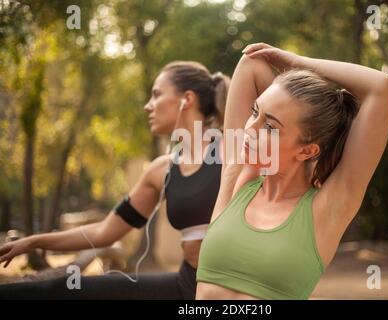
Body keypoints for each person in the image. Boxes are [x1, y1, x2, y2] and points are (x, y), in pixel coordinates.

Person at [0, 61, 229, 300]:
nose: (147, 106)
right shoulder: (161, 170)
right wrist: (32, 242)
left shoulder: (233, 151)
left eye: (157, 95)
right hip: (187, 285)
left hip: (233, 291)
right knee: (61, 289)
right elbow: (104, 231)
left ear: (187, 99)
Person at [196, 43, 388, 300]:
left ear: (308, 150)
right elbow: (252, 62)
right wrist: (291, 78)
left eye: (270, 126)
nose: (250, 130)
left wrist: (298, 62)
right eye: (255, 112)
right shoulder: (240, 180)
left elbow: (381, 87)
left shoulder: (327, 208)